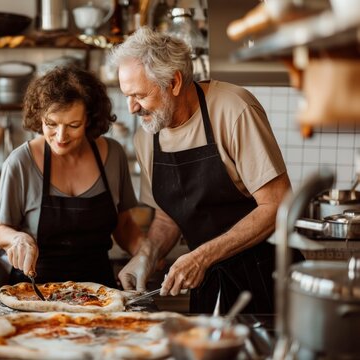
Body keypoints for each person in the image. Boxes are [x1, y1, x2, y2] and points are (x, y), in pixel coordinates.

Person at [108, 27, 303, 313]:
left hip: (266, 278)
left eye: (139, 95)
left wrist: (202, 256)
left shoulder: (233, 109)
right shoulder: (147, 136)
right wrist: (146, 256)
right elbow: (169, 215)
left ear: (174, 82)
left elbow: (276, 204)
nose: (132, 108)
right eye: (126, 95)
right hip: (210, 284)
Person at [0, 66, 143, 288]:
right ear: (39, 117)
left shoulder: (113, 155)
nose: (60, 137)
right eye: (51, 124)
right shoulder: (20, 162)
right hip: (35, 293)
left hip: (98, 294)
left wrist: (146, 254)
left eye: (73, 125)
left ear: (90, 118)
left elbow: (125, 226)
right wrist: (17, 239)